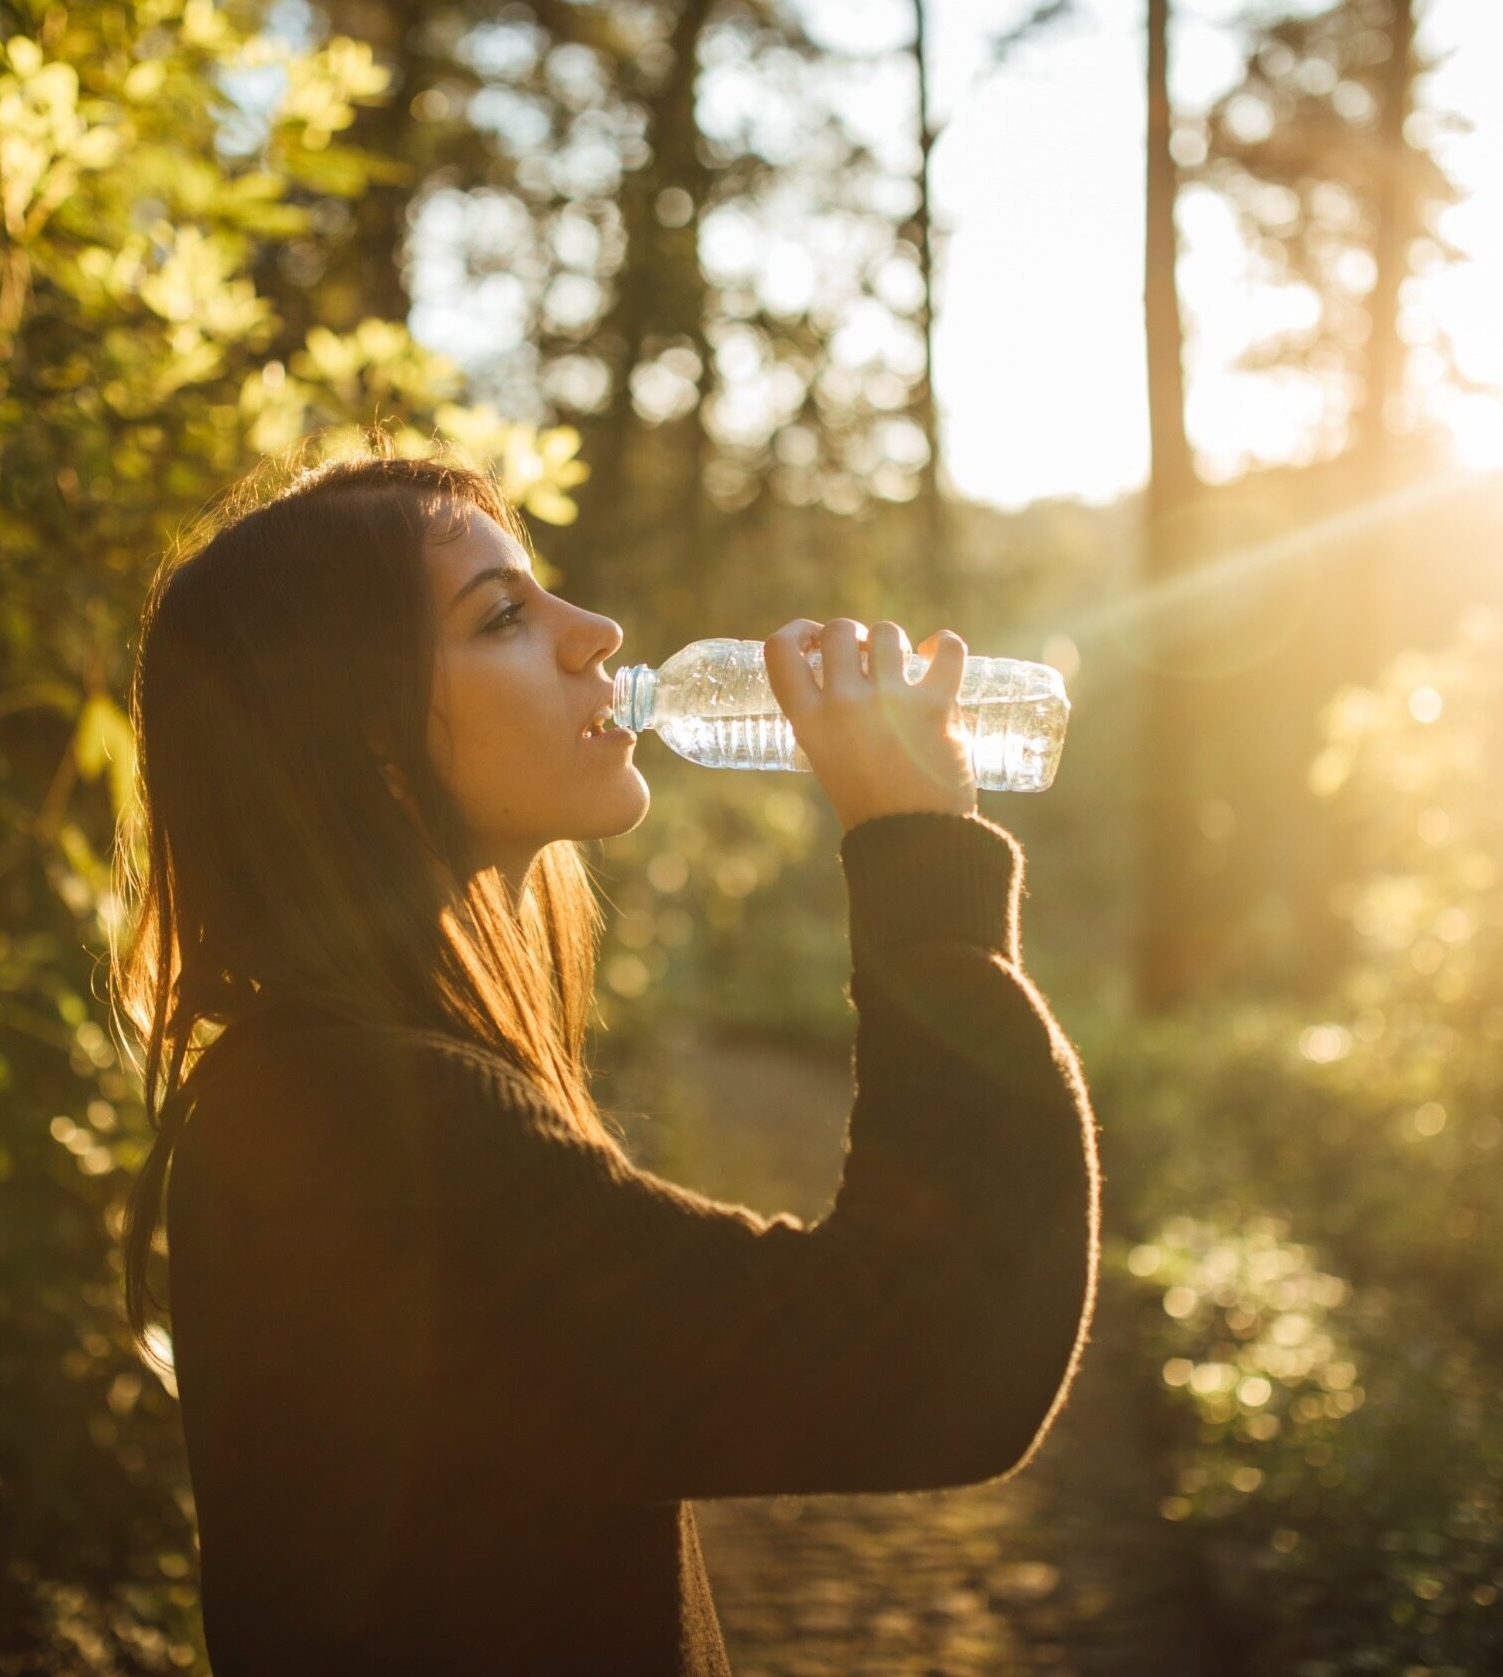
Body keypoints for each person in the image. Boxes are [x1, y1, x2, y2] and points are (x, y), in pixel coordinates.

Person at [115, 450, 1099, 1676]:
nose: (598, 635)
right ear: (361, 742)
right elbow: (941, 1348)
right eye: (504, 618)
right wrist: (916, 863)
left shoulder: (338, 1087)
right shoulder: (369, 1125)